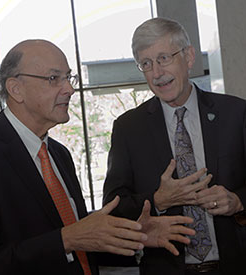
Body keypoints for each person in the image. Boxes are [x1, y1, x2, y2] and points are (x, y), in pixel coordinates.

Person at [0, 39, 195, 275]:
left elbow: (81, 248)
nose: (69, 89)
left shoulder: (58, 154)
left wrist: (134, 235)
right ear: (16, 89)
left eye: (69, 78)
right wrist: (66, 239)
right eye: (53, 79)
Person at [103, 17, 246, 275]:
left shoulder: (236, 113)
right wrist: (157, 200)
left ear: (189, 57)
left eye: (164, 58)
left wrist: (237, 201)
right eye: (146, 64)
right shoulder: (128, 128)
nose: (157, 73)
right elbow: (114, 206)